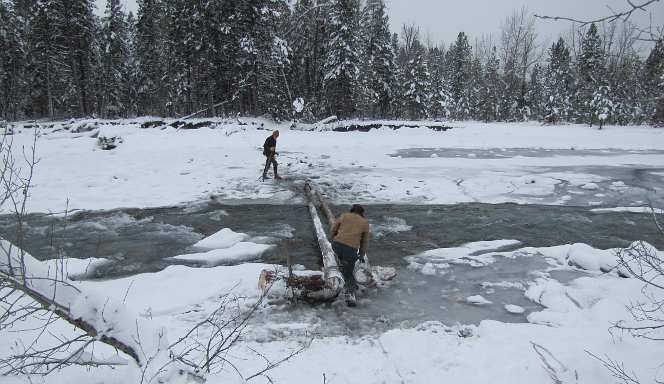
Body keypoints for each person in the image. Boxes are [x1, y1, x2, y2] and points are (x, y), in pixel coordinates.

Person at [330, 204, 370, 307]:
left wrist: (334, 238)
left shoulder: (344, 215)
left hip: (337, 245)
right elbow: (364, 242)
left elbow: (333, 229)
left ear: (352, 210)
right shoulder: (365, 223)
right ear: (362, 213)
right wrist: (361, 255)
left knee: (341, 262)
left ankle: (340, 269)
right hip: (351, 250)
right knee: (349, 273)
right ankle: (351, 295)